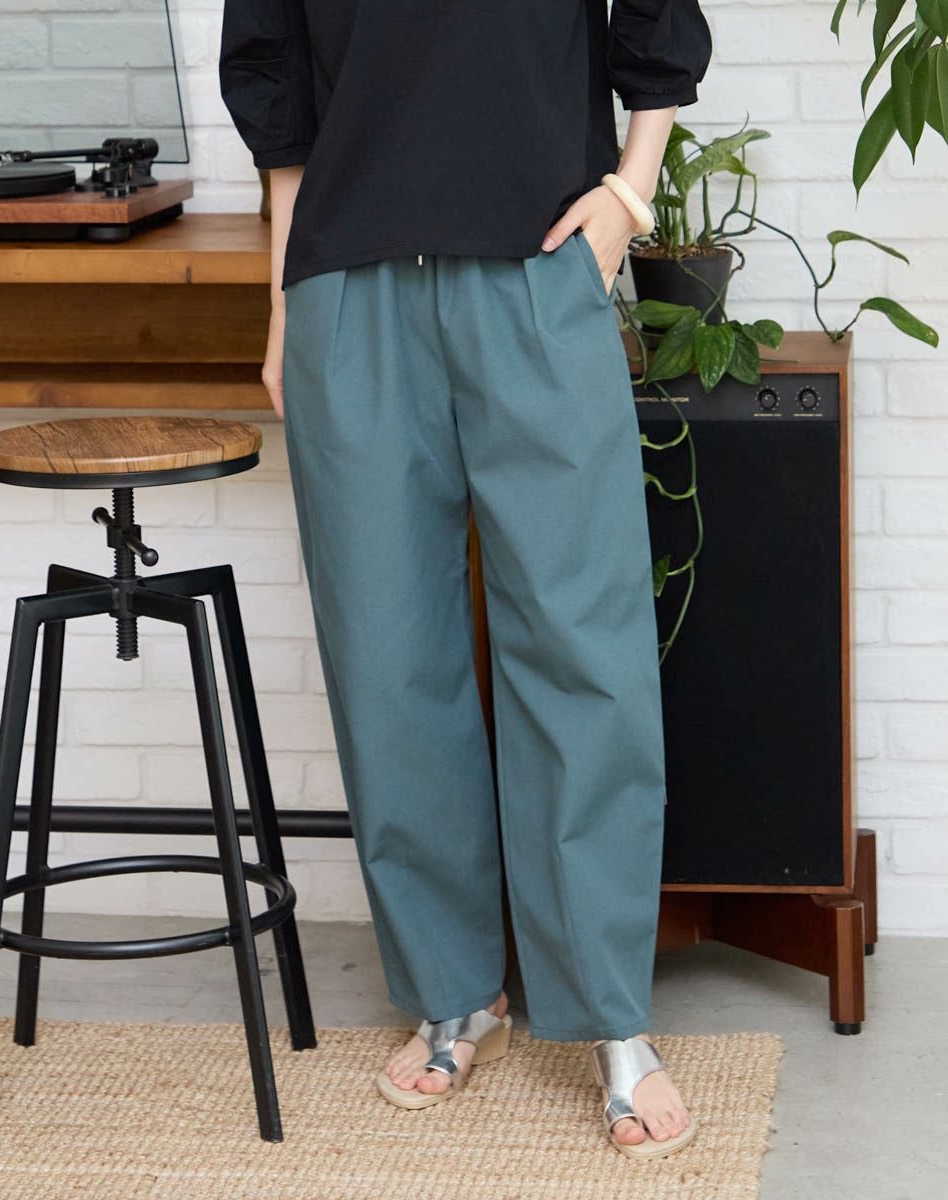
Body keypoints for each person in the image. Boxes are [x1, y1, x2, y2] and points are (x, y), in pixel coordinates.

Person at [220, 0, 712, 1160]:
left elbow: (655, 16)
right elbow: (277, 80)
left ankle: (611, 1016)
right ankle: (453, 992)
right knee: (386, 650)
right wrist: (282, 298)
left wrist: (629, 193)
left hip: (538, 262)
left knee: (583, 644)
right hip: (348, 279)